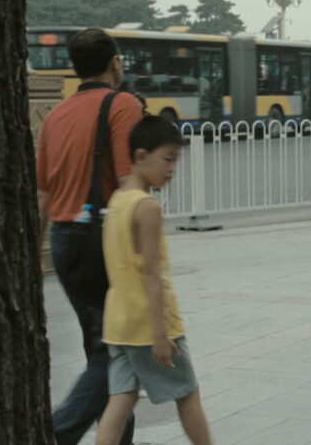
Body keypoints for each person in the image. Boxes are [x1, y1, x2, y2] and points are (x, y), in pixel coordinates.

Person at [37, 28, 144, 445]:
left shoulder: (57, 115)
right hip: (104, 244)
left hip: (65, 243)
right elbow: (128, 183)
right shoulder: (122, 105)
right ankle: (54, 434)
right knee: (115, 354)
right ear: (115, 62)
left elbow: (43, 195)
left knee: (105, 348)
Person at [94, 116, 211, 445]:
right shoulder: (147, 207)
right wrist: (160, 334)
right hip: (150, 325)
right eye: (167, 159)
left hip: (119, 324)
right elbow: (151, 274)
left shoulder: (117, 200)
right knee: (188, 394)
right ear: (141, 156)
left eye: (176, 160)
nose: (172, 169)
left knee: (122, 398)